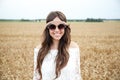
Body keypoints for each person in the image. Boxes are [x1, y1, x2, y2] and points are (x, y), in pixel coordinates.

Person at [33, 11, 82, 80]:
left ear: (65, 28)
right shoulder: (39, 50)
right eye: (52, 26)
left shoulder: (74, 48)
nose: (57, 30)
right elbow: (36, 77)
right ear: (48, 29)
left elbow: (77, 75)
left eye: (60, 26)